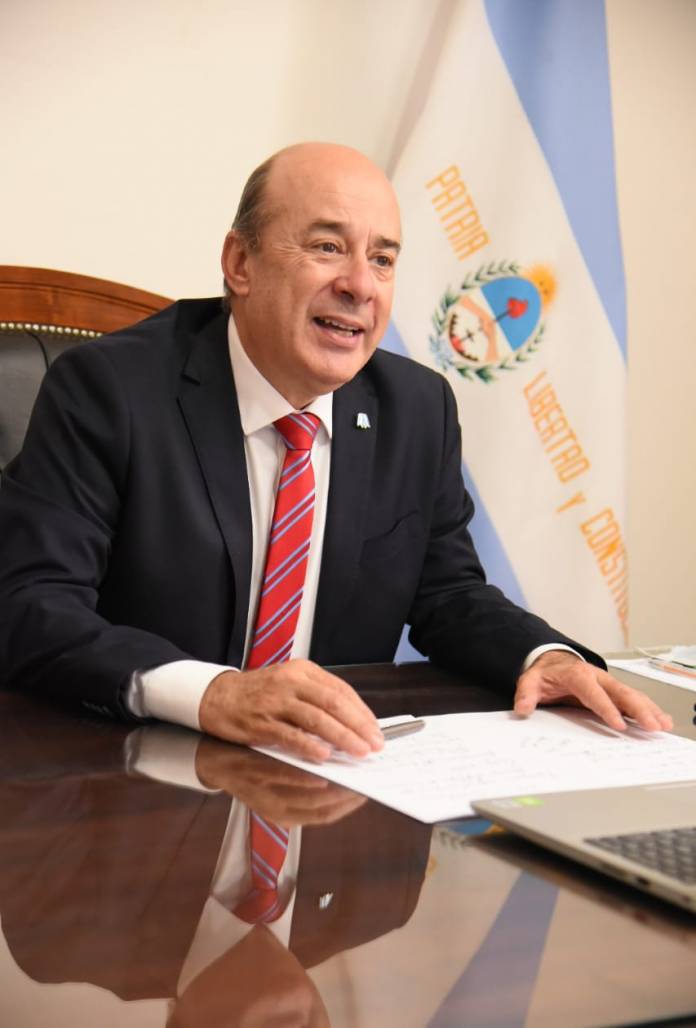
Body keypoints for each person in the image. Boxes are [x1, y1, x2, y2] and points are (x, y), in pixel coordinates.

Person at [0, 142, 671, 759]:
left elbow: (448, 594)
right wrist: (213, 693)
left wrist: (542, 657)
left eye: (382, 259)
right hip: (139, 772)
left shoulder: (417, 410)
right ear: (240, 264)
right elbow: (31, 603)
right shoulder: (111, 390)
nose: (360, 285)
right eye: (327, 247)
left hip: (327, 775)